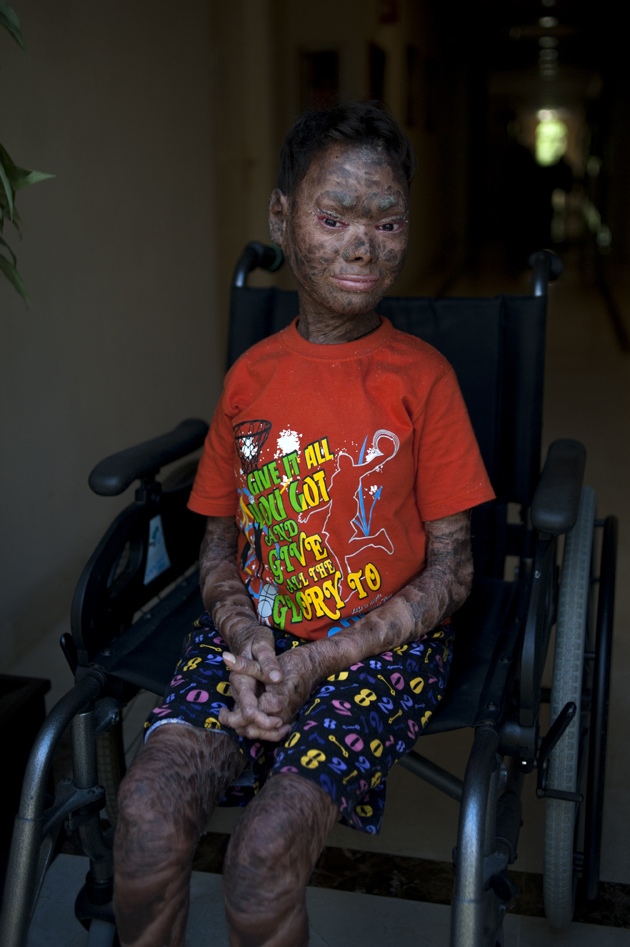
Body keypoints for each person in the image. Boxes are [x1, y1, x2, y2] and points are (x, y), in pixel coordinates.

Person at [113, 102, 495, 947]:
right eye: (334, 218)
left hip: (380, 650)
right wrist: (250, 637)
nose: (363, 245)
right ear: (282, 218)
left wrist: (318, 660)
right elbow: (216, 538)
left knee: (263, 855)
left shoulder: (423, 381)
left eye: (387, 223)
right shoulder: (251, 376)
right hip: (251, 633)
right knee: (143, 817)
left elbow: (453, 572)